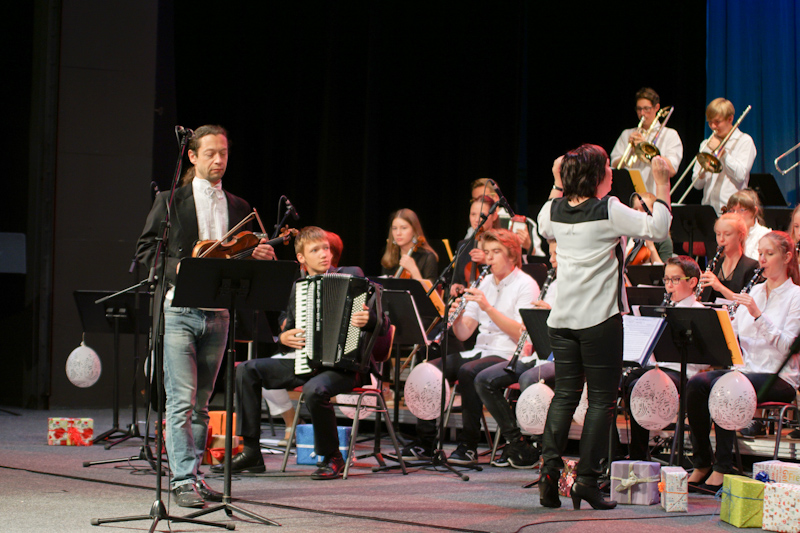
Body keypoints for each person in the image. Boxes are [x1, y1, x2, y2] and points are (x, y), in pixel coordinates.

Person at [135, 125, 276, 508]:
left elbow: (242, 260)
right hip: (179, 311)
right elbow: (146, 251)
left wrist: (260, 257)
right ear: (193, 156)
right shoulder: (170, 200)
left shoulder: (240, 207)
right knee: (181, 401)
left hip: (219, 314)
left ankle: (193, 476)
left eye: (224, 153)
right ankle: (181, 479)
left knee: (201, 404)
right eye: (211, 153)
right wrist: (177, 268)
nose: (218, 160)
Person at [537, 145, 672, 510]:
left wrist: (557, 180)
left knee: (565, 397)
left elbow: (543, 225)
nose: (613, 172)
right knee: (601, 401)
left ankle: (549, 474)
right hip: (599, 321)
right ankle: (586, 481)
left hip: (562, 321)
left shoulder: (553, 210)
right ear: (596, 175)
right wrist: (661, 183)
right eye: (608, 166)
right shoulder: (607, 209)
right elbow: (658, 228)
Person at [221, 226, 385, 480]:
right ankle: (252, 451)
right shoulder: (299, 288)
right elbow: (287, 327)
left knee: (314, 390)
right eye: (315, 250)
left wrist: (370, 319)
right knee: (246, 370)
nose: (324, 254)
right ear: (301, 258)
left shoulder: (353, 276)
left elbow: (384, 324)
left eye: (326, 249)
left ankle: (332, 457)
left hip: (347, 367)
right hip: (308, 363)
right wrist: (284, 338)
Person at [401, 229, 539, 465]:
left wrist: (488, 308)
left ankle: (468, 445)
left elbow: (522, 334)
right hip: (481, 350)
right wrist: (457, 316)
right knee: (429, 370)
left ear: (512, 255)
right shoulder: (484, 282)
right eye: (487, 252)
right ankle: (426, 442)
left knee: (468, 371)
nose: (489, 257)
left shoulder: (526, 284)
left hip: (508, 353)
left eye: (496, 252)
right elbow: (464, 332)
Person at [686, 231, 800, 493]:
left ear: (786, 257)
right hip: (745, 371)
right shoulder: (755, 291)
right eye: (760, 253)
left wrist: (757, 315)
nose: (762, 259)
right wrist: (724, 325)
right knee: (697, 384)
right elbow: (734, 334)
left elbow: (788, 346)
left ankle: (723, 466)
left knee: (728, 387)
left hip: (779, 377)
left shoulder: (796, 296)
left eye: (769, 254)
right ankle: (702, 462)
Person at [475, 240, 558, 469]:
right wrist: (534, 322)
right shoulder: (553, 285)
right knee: (484, 379)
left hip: (564, 357)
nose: (551, 259)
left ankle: (542, 446)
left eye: (556, 254)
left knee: (529, 379)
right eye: (551, 253)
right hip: (540, 356)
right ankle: (517, 442)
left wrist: (551, 315)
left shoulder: (580, 285)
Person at [622, 256, 706, 460]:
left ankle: (639, 454)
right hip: (657, 368)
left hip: (681, 372)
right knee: (620, 381)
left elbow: (704, 358)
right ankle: (618, 452)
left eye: (675, 280)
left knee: (638, 387)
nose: (669, 285)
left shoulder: (700, 312)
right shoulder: (663, 309)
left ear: (692, 282)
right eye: (666, 279)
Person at [610, 87, 682, 194]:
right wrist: (630, 151)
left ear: (656, 107)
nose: (642, 113)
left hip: (655, 195)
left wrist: (647, 148)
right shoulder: (627, 134)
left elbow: (672, 170)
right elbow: (615, 166)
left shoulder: (670, 135)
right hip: (628, 194)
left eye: (646, 109)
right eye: (639, 109)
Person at [691, 98, 757, 215]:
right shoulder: (706, 143)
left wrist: (723, 153)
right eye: (710, 122)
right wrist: (702, 173)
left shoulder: (744, 141)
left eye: (717, 122)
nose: (713, 126)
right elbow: (697, 185)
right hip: (708, 210)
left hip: (732, 211)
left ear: (730, 119)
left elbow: (741, 175)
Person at [469, 179, 545, 258]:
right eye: (475, 200)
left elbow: (541, 259)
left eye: (483, 198)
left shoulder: (523, 223)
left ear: (496, 197)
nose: (478, 203)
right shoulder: (474, 226)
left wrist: (529, 246)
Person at [698, 213, 759, 304]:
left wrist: (720, 287)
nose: (721, 239)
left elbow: (749, 303)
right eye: (718, 234)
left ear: (740, 236)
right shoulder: (713, 264)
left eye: (727, 234)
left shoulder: (752, 266)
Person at [450, 195, 501, 297]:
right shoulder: (463, 245)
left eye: (482, 215)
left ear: (494, 216)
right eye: (473, 214)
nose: (477, 219)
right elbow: (457, 279)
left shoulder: (502, 244)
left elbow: (507, 277)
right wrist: (457, 286)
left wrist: (486, 260)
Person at [380, 209, 439, 284]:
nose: (398, 233)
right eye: (394, 228)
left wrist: (413, 270)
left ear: (414, 230)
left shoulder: (428, 258)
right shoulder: (390, 256)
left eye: (404, 228)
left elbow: (430, 291)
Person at [626, 192, 674, 264]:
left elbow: (664, 270)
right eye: (636, 209)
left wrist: (651, 247)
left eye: (643, 209)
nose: (638, 213)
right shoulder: (626, 234)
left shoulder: (664, 240)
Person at [725, 189, 771, 261]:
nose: (735, 215)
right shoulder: (729, 234)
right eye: (732, 210)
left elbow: (755, 263)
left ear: (754, 211)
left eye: (741, 210)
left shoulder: (764, 234)